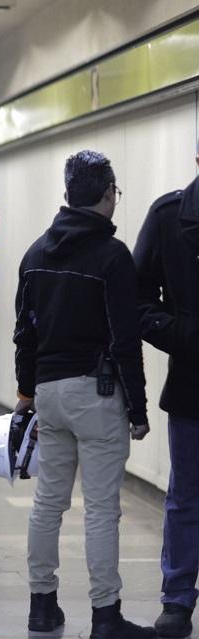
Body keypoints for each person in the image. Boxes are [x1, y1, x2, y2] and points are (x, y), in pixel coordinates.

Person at [14, 150, 154, 639]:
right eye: (115, 192)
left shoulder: (35, 255)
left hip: (49, 395)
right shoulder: (112, 257)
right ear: (104, 194)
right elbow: (124, 337)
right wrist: (137, 409)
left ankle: (41, 605)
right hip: (97, 395)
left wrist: (26, 394)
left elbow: (24, 334)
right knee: (100, 509)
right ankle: (105, 615)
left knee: (48, 505)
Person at [133, 140, 199, 639]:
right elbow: (136, 301)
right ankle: (177, 600)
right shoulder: (170, 216)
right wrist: (184, 334)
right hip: (193, 385)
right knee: (186, 498)